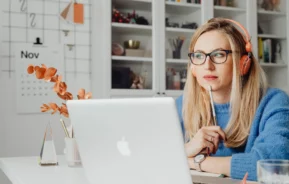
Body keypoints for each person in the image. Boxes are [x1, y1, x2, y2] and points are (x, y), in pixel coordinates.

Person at [176, 17, 289, 181]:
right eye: (199, 56)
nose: (208, 65)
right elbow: (150, 157)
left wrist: (194, 161)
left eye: (219, 54)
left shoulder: (273, 102)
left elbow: (270, 165)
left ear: (243, 63)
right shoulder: (182, 105)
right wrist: (186, 150)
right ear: (193, 67)